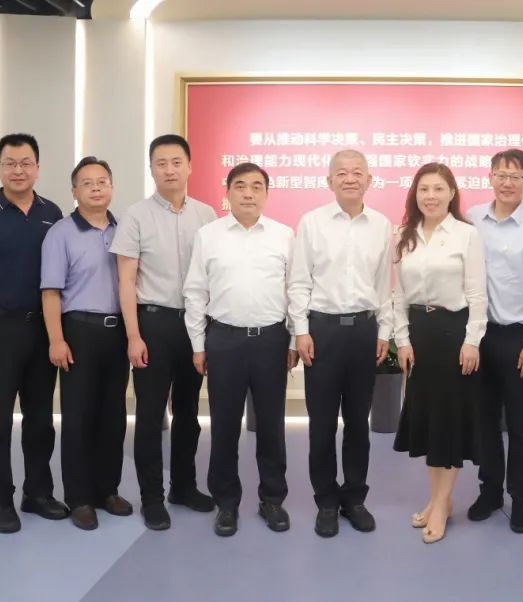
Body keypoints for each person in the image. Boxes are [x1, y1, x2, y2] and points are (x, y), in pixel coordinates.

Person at [0, 133, 66, 533]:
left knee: (40, 418)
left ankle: (37, 493)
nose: (18, 170)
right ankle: (0, 499)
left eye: (25, 163)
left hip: (42, 329)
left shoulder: (53, 212)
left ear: (37, 167)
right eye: (10, 163)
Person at [183, 162, 299, 537]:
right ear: (228, 192)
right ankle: (226, 504)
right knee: (224, 426)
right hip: (224, 340)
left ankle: (272, 500)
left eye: (256, 186)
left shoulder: (283, 235)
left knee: (271, 426)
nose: (248, 193)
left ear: (266, 193)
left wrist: (293, 339)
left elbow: (295, 290)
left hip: (271, 340)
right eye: (240, 186)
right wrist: (198, 344)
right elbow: (195, 292)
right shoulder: (209, 236)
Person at [110, 134, 217, 531]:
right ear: (151, 169)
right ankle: (152, 498)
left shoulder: (207, 215)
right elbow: (126, 280)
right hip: (152, 324)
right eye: (161, 163)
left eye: (176, 162)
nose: (169, 170)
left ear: (189, 166)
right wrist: (133, 336)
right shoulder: (136, 215)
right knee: (151, 415)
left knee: (189, 413)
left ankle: (184, 487)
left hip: (195, 324)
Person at [288, 150, 393, 538]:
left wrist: (384, 332)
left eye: (357, 172)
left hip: (364, 331)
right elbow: (299, 281)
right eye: (342, 173)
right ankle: (327, 502)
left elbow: (384, 284)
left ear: (369, 180)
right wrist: (301, 331)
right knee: (321, 424)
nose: (350, 178)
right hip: (322, 331)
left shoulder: (381, 225)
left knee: (358, 423)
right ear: (329, 181)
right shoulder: (312, 223)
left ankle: (354, 498)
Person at [391, 163, 487, 544]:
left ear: (451, 194)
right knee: (429, 423)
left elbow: (477, 294)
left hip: (453, 335)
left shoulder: (467, 234)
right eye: (424, 189)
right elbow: (398, 295)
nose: (430, 196)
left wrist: (472, 340)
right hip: (419, 335)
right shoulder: (404, 236)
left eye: (438, 189)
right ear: (415, 194)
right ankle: (436, 499)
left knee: (448, 424)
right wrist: (402, 340)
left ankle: (442, 504)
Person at [465, 149, 523, 533]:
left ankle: (521, 498)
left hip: (518, 335)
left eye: (515, 176)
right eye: (501, 175)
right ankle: (489, 492)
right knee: (483, 420)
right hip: (478, 334)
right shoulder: (471, 219)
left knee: (521, 424)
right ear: (490, 177)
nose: (507, 182)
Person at [40, 157, 132, 531]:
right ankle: (79, 497)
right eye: (87, 183)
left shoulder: (124, 230)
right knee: (78, 417)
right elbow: (50, 292)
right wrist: (56, 339)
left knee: (113, 416)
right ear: (74, 191)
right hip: (78, 331)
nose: (96, 188)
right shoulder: (61, 233)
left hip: (117, 332)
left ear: (111, 187)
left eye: (103, 181)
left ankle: (107, 490)